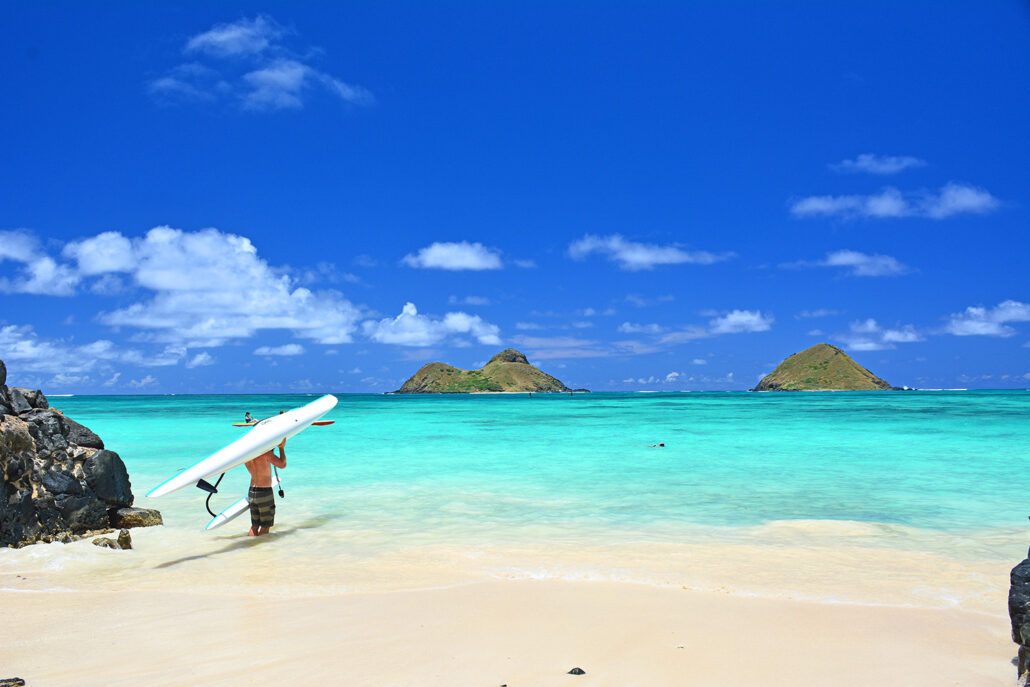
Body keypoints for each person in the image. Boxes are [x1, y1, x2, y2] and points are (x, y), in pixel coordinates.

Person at [244, 438, 286, 536]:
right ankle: (262, 549)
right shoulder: (265, 454)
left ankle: (250, 546)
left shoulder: (247, 456)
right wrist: (281, 448)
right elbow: (282, 464)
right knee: (265, 525)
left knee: (254, 525)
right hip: (264, 492)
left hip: (252, 492)